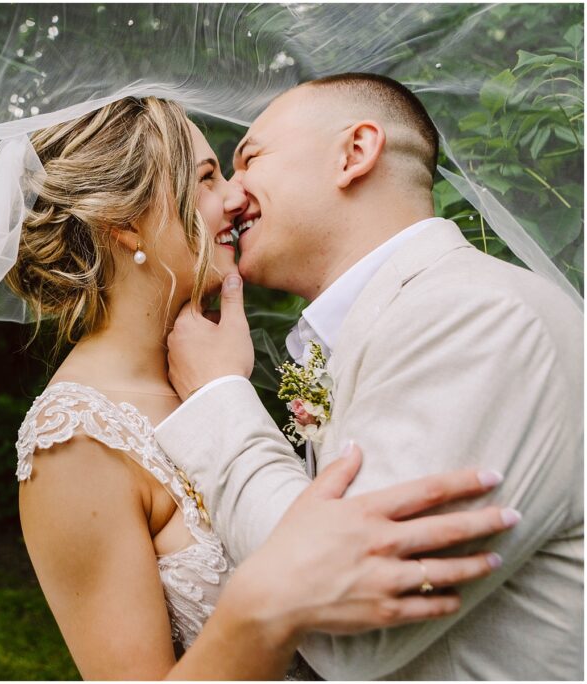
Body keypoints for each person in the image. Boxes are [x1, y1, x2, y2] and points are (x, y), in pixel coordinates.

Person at [6, 96, 517, 680]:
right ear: (125, 223)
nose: (234, 197)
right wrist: (262, 606)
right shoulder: (75, 438)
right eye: (206, 178)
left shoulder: (211, 374)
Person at [159, 73, 584, 679]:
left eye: (249, 158)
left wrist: (216, 398)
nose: (231, 195)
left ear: (354, 153)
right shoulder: (402, 319)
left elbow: (346, 631)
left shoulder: (480, 317)